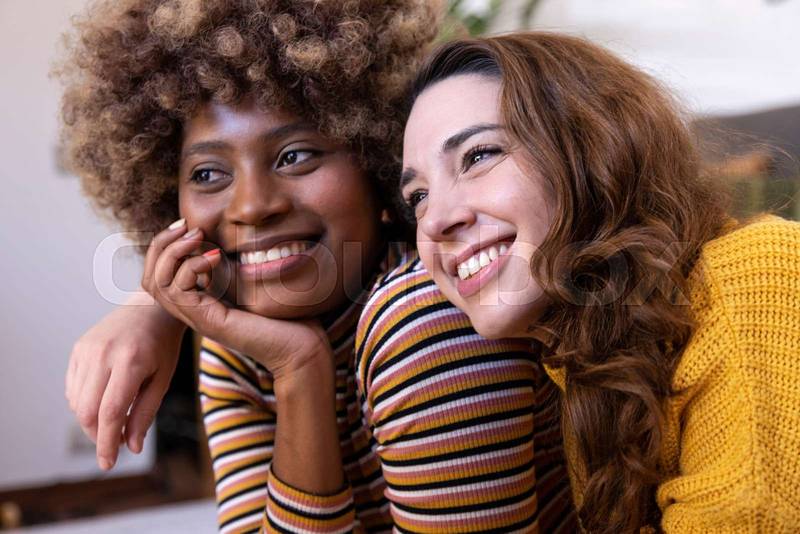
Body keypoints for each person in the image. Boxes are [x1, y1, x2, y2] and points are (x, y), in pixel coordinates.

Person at [61, 2, 574, 532]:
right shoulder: (238, 345)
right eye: (209, 173)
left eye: (294, 156)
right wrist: (297, 368)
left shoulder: (427, 313)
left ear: (378, 168)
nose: (252, 206)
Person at [398, 32, 800, 533]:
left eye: (478, 156)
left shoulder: (756, 270)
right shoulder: (583, 368)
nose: (435, 220)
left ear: (590, 146)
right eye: (417, 196)